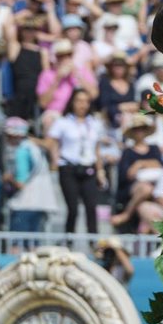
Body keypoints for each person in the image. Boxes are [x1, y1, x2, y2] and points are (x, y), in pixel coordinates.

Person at [43, 87, 108, 235]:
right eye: (79, 101)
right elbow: (52, 143)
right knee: (72, 208)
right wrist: (55, 160)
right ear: (72, 102)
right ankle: (69, 239)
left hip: (88, 167)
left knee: (91, 206)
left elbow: (96, 149)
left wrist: (100, 170)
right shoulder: (63, 122)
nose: (82, 105)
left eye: (86, 101)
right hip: (69, 167)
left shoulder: (94, 123)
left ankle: (93, 240)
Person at [0, 118, 58, 234]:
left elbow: (20, 183)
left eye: (8, 136)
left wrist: (8, 178)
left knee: (17, 241)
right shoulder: (35, 148)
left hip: (25, 204)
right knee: (34, 241)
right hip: (41, 202)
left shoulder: (22, 151)